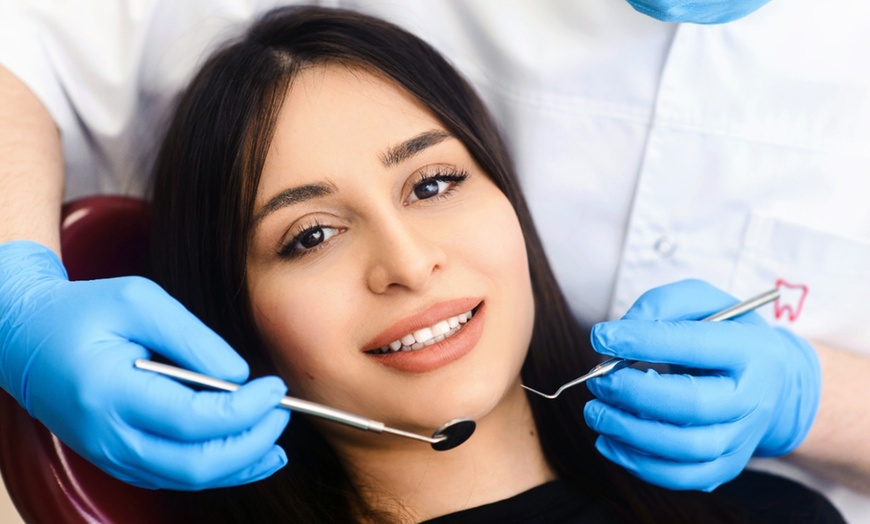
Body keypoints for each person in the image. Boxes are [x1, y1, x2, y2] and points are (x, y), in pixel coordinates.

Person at [0, 0, 868, 520]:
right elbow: (34, 43)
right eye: (309, 236)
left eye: (433, 183)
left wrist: (813, 397)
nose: (409, 264)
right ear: (234, 325)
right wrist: (16, 303)